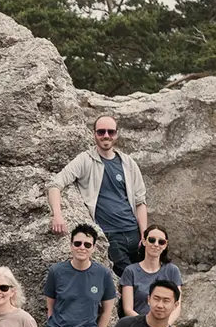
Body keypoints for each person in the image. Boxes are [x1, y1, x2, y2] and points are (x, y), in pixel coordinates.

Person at [48, 116, 148, 276]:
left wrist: (145, 234)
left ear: (116, 134)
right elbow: (55, 184)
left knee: (149, 278)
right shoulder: (85, 160)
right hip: (110, 236)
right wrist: (57, 215)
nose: (106, 135)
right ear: (94, 134)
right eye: (101, 132)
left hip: (133, 233)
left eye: (110, 132)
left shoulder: (128, 163)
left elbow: (140, 201)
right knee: (132, 280)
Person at [120, 225, 183, 320]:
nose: (156, 244)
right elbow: (128, 309)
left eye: (161, 242)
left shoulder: (172, 270)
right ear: (144, 241)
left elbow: (176, 307)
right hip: (137, 326)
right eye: (152, 240)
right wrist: (149, 326)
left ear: (165, 245)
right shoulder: (130, 271)